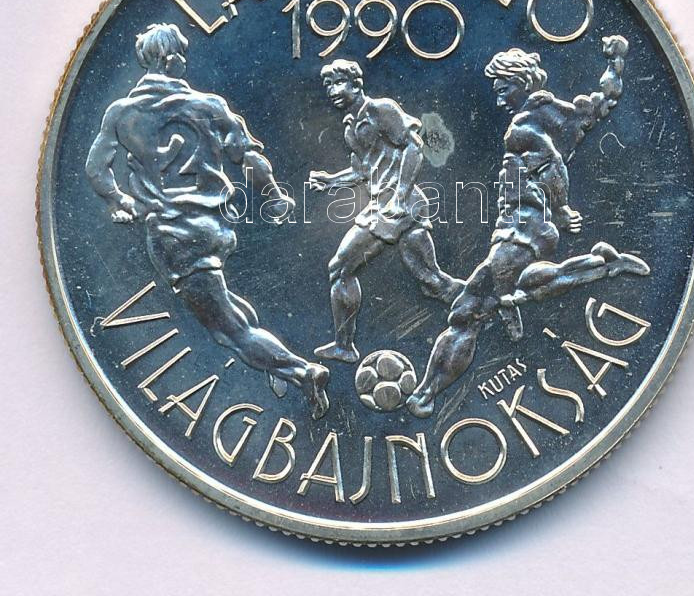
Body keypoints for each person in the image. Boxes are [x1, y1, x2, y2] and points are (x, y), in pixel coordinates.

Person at [85, 23, 329, 419]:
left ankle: (302, 373)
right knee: (224, 304)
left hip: (174, 237)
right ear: (170, 60)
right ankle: (271, 360)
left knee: (228, 330)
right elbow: (249, 158)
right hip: (216, 227)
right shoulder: (209, 105)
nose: (183, 60)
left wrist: (120, 200)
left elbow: (96, 169)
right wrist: (273, 194)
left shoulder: (121, 114)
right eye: (180, 54)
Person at [407, 36, 649, 418]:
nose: (499, 99)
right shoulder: (557, 113)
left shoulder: (521, 128)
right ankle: (598, 264)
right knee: (525, 286)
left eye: (503, 89)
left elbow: (551, 163)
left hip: (520, 229)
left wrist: (562, 205)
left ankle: (425, 395)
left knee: (467, 313)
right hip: (534, 230)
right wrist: (616, 61)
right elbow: (603, 103)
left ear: (522, 83)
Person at [308, 59, 464, 363]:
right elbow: (362, 172)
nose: (332, 91)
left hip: (398, 206)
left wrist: (400, 197)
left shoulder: (381, 109)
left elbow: (414, 147)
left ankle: (344, 346)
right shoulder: (350, 126)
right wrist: (331, 181)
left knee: (340, 267)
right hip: (385, 205)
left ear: (356, 84)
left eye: (339, 83)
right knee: (432, 281)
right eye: (328, 86)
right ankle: (489, 304)